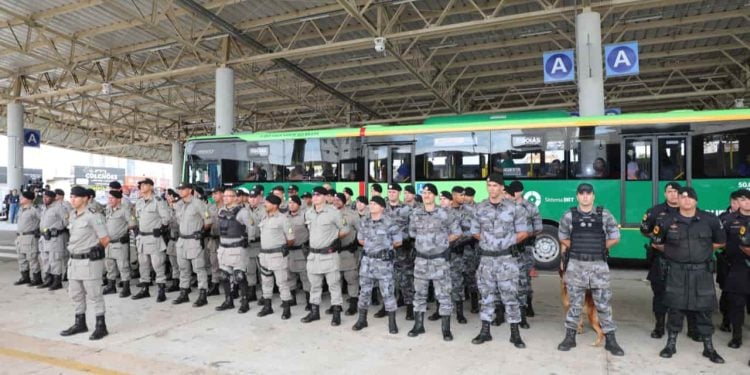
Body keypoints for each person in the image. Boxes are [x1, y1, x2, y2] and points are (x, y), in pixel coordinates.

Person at [652, 187, 726, 363]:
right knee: (675, 309)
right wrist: (675, 253)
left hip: (702, 272)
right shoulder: (667, 220)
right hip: (676, 271)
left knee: (704, 311)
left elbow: (720, 241)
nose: (686, 200)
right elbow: (657, 243)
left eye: (690, 197)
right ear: (678, 200)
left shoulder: (709, 219)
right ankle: (671, 345)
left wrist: (702, 252)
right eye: (683, 197)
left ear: (696, 201)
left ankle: (709, 348)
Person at [556, 183, 623, 355]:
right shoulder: (568, 216)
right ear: (577, 196)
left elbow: (615, 237)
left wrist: (600, 248)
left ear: (593, 196)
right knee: (574, 304)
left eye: (588, 193)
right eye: (582, 194)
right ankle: (570, 337)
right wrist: (578, 247)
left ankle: (611, 340)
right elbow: (562, 236)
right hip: (576, 265)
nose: (585, 196)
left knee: (603, 304)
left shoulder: (605, 215)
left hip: (598, 266)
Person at [469, 174, 528, 348]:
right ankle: (485, 332)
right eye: (489, 185)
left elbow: (523, 232)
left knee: (510, 297)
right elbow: (475, 232)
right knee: (486, 297)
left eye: (495, 185)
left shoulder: (515, 208)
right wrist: (490, 242)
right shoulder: (479, 208)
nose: (492, 188)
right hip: (487, 259)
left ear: (502, 188)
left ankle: (515, 334)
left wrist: (505, 243)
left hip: (506, 259)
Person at [407, 183, 461, 341]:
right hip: (421, 260)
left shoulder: (444, 213)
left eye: (430, 193)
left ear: (435, 196)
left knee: (444, 295)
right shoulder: (415, 213)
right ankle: (418, 325)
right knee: (419, 294)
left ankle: (446, 329)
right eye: (424, 192)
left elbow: (457, 232)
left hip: (439, 260)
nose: (426, 195)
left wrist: (443, 241)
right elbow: (412, 233)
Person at [60, 185, 111, 340]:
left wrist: (98, 248)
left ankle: (101, 326)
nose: (72, 199)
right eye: (71, 196)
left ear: (84, 198)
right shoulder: (73, 215)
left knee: (95, 295)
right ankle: (80, 323)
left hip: (89, 262)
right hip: (74, 261)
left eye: (75, 197)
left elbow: (105, 238)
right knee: (75, 294)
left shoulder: (93, 215)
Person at [352, 196, 402, 334]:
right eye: (371, 203)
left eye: (374, 204)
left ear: (382, 207)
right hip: (367, 262)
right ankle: (362, 319)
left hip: (383, 263)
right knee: (364, 292)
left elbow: (398, 241)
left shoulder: (390, 222)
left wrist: (383, 247)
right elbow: (360, 239)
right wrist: (372, 247)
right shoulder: (364, 221)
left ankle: (392, 322)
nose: (371, 206)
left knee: (387, 293)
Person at [640, 182, 681, 339]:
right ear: (665, 194)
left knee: (683, 295)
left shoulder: (687, 211)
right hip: (660, 259)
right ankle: (659, 326)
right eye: (669, 191)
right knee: (659, 295)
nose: (673, 194)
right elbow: (644, 229)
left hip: (681, 260)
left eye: (676, 191)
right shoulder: (655, 211)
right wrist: (656, 239)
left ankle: (691, 328)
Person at [301, 186, 348, 326]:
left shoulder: (333, 213)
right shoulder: (308, 213)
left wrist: (333, 236)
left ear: (325, 197)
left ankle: (336, 314)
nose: (314, 197)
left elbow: (345, 229)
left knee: (333, 285)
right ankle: (314, 312)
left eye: (318, 195)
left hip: (329, 255)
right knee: (314, 286)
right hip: (313, 255)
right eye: (313, 195)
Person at [507, 180, 543, 326]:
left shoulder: (530, 207)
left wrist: (525, 235)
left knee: (525, 280)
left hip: (525, 247)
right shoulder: (507, 207)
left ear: (520, 192)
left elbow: (539, 228)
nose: (512, 194)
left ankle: (528, 306)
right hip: (510, 248)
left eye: (515, 191)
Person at [132, 178, 172, 302]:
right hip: (142, 238)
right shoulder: (139, 202)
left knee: (157, 264)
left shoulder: (158, 201)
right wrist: (136, 227)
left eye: (144, 185)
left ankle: (161, 291)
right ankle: (145, 289)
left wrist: (160, 227)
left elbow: (166, 217)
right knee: (143, 265)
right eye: (140, 185)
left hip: (153, 237)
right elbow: (136, 217)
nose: (141, 187)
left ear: (150, 186)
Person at [172, 183, 211, 307]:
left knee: (199, 268)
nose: (180, 191)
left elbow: (208, 219)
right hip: (182, 240)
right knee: (183, 268)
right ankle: (184, 293)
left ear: (190, 190)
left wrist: (203, 232)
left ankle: (203, 294)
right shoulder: (179, 205)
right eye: (179, 189)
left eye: (183, 189)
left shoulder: (198, 203)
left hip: (194, 239)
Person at [719, 189, 750, 349]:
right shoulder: (729, 220)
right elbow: (720, 241)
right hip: (737, 267)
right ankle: (736, 336)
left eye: (749, 199)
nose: (746, 202)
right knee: (736, 304)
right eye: (743, 200)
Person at [257, 194, 295, 319]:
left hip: (277, 256)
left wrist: (281, 247)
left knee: (282, 283)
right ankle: (268, 307)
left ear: (275, 205)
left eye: (267, 203)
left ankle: (286, 308)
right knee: (266, 282)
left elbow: (291, 239)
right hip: (264, 256)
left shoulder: (283, 219)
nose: (265, 204)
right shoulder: (264, 218)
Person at [214, 188, 252, 313]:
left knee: (239, 276)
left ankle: (245, 302)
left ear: (235, 198)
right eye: (224, 196)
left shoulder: (242, 212)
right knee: (224, 276)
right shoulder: (221, 210)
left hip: (237, 248)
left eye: (228, 196)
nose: (225, 198)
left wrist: (248, 239)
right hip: (224, 248)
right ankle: (228, 300)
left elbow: (251, 227)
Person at [383, 183, 414, 320]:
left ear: (399, 193)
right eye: (389, 192)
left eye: (394, 192)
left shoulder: (407, 209)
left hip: (402, 250)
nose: (391, 194)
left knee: (405, 280)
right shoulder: (382, 209)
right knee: (386, 280)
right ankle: (386, 307)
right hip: (386, 250)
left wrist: (406, 240)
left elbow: (413, 228)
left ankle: (409, 308)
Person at [332, 193, 361, 316]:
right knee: (334, 280)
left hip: (347, 251)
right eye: (335, 200)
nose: (336, 201)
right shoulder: (329, 214)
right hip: (332, 252)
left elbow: (361, 230)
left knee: (351, 279)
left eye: (339, 200)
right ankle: (336, 306)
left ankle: (353, 304)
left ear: (344, 201)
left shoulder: (352, 215)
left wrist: (355, 243)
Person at [102, 190, 132, 298]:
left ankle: (126, 288)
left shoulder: (124, 210)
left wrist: (124, 231)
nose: (109, 200)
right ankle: (111, 286)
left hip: (119, 243)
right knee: (110, 266)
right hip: (109, 243)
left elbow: (132, 223)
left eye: (112, 198)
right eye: (109, 198)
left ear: (119, 199)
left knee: (123, 266)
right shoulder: (108, 210)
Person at [38, 189, 68, 291]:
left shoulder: (59, 207)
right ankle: (48, 279)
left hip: (55, 238)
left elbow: (66, 222)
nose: (44, 199)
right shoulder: (44, 208)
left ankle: (57, 281)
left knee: (55, 259)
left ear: (53, 198)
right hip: (44, 238)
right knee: (45, 259)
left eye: (47, 197)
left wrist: (57, 229)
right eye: (43, 197)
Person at [286, 196, 311, 310]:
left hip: (301, 250)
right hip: (288, 251)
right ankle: (292, 299)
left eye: (293, 203)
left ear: (299, 204)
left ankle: (309, 300)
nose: (291, 205)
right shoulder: (285, 217)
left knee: (305, 276)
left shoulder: (304, 216)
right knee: (289, 275)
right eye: (289, 203)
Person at [14, 191, 41, 286]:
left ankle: (37, 278)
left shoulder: (34, 210)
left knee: (32, 258)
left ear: (28, 199)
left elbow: (43, 220)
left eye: (22, 197)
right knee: (21, 258)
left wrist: (40, 230)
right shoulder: (21, 209)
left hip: (30, 237)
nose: (20, 199)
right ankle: (25, 277)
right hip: (20, 237)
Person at [246, 189, 266, 304]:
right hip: (248, 244)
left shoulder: (264, 211)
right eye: (250, 197)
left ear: (259, 198)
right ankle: (252, 292)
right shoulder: (244, 210)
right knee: (250, 270)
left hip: (260, 244)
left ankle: (265, 294)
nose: (252, 199)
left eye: (255, 197)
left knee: (262, 271)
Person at [204, 188, 223, 297]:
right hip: (213, 239)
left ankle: (233, 286)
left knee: (227, 264)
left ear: (222, 194)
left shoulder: (227, 207)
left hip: (225, 239)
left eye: (216, 193)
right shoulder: (210, 207)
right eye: (212, 194)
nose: (213, 196)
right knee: (214, 262)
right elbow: (206, 220)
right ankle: (215, 285)